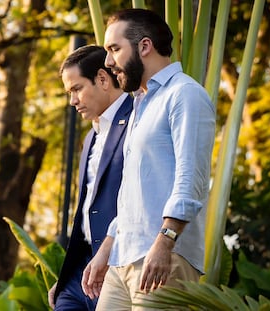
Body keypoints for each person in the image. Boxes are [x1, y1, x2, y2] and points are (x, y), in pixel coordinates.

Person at [81, 9, 216, 310]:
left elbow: (190, 179)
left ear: (144, 46)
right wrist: (107, 248)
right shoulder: (140, 105)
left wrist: (165, 241)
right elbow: (133, 194)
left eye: (114, 49)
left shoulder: (185, 95)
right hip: (123, 258)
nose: (107, 61)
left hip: (164, 256)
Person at [48, 45, 133, 310]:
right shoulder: (90, 136)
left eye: (76, 89)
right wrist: (68, 277)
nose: (72, 100)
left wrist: (108, 254)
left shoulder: (138, 121)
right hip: (81, 272)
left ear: (103, 79)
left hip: (120, 266)